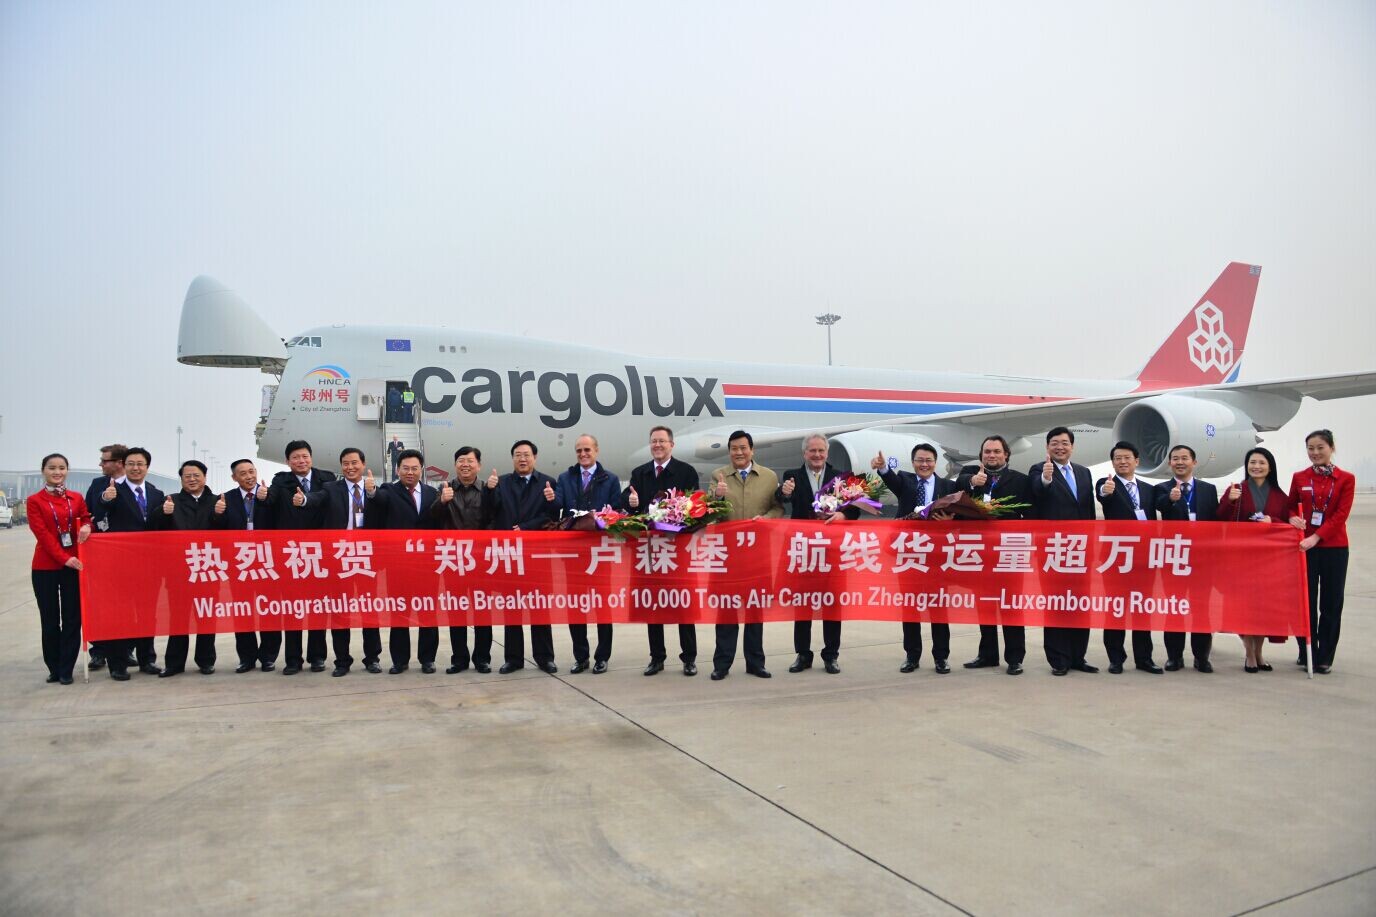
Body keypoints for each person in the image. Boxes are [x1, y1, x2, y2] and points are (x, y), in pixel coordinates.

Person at [874, 442, 958, 674]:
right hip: (909, 555)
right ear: (913, 463)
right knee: (910, 607)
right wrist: (882, 468)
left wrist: (950, 522)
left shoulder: (948, 486)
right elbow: (891, 480)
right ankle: (912, 656)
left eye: (928, 460)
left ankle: (941, 657)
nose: (924, 464)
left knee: (938, 609)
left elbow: (959, 515)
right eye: (920, 460)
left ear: (935, 463)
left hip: (936, 557)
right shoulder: (905, 481)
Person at [623, 426, 700, 676]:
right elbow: (630, 508)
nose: (657, 445)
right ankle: (657, 658)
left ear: (671, 445)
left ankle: (689, 658)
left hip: (677, 550)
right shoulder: (640, 473)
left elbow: (695, 508)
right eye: (654, 441)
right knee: (652, 604)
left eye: (662, 441)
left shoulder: (686, 472)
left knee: (683, 604)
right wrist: (632, 503)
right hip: (650, 551)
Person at [780, 434, 860, 674]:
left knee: (832, 603)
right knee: (802, 604)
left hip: (832, 550)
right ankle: (803, 655)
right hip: (804, 549)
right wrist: (785, 492)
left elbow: (855, 508)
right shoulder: (792, 476)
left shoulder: (841, 477)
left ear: (827, 453)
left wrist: (843, 515)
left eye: (821, 451)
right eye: (812, 451)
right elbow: (783, 499)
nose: (817, 455)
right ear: (804, 453)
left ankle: (831, 655)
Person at [710, 430, 783, 680]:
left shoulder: (769, 477)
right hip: (727, 555)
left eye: (743, 448)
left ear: (752, 450)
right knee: (726, 611)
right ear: (729, 451)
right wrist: (717, 496)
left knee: (755, 610)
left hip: (757, 555)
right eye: (734, 448)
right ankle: (722, 664)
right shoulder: (718, 476)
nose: (739, 453)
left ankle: (755, 663)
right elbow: (708, 510)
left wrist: (766, 520)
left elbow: (778, 508)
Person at [956, 435, 1030, 675]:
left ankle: (1015, 658)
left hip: (1009, 552)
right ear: (981, 455)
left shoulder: (1020, 480)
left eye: (997, 451)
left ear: (1006, 454)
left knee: (1011, 606)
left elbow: (1032, 514)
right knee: (985, 605)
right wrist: (973, 482)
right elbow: (958, 485)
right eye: (987, 451)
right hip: (980, 553)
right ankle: (987, 655)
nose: (992, 455)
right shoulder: (970, 474)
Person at [1029, 427, 1098, 676]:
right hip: (1054, 550)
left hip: (1081, 549)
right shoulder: (1039, 469)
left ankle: (1078, 656)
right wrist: (1046, 479)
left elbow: (1089, 510)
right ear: (1047, 447)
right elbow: (1036, 491)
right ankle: (1059, 659)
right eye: (1055, 443)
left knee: (1079, 603)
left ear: (1072, 446)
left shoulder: (1083, 472)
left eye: (1065, 443)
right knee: (1056, 603)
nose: (1060, 447)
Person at [90, 446, 164, 679]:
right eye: (131, 464)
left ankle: (147, 659)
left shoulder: (156, 494)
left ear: (147, 467)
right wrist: (105, 498)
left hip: (149, 566)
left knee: (147, 613)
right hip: (119, 566)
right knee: (120, 614)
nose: (135, 468)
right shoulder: (112, 490)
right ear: (124, 465)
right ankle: (118, 664)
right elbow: (97, 510)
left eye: (140, 464)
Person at [1287, 430, 1355, 674]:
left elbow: (1341, 515)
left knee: (1331, 603)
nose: (1315, 453)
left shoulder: (1346, 479)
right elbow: (1289, 508)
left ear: (1331, 448)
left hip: (1333, 548)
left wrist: (1316, 537)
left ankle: (1325, 656)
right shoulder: (1299, 477)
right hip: (1304, 548)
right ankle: (1307, 651)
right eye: (1311, 448)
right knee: (1304, 602)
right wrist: (1292, 518)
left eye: (1320, 448)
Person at [488, 440, 559, 674]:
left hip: (537, 555)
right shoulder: (502, 482)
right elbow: (492, 511)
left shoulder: (548, 482)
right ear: (512, 459)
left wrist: (527, 527)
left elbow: (552, 516)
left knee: (539, 607)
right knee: (512, 608)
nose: (522, 459)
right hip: (509, 554)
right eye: (518, 455)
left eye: (526, 455)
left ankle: (545, 657)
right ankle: (513, 658)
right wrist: (490, 490)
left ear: (534, 458)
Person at [553, 434, 622, 673]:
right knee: (575, 604)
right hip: (573, 551)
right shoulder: (565, 478)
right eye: (579, 451)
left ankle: (602, 656)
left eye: (587, 450)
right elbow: (558, 507)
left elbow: (617, 510)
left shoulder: (610, 479)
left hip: (600, 551)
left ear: (596, 451)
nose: (583, 454)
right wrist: (551, 499)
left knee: (602, 605)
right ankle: (581, 656)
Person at [1217, 446, 1290, 673]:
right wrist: (1229, 501)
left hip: (1268, 561)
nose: (1256, 467)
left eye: (1261, 463)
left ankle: (1259, 652)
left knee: (1262, 608)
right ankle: (1249, 653)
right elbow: (1219, 518)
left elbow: (1288, 523)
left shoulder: (1280, 496)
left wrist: (1272, 520)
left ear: (1270, 468)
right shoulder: (1236, 490)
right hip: (1241, 559)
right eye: (1252, 463)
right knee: (1244, 607)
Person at [267, 440, 337, 674]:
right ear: (288, 461)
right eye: (295, 457)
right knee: (293, 608)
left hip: (320, 554)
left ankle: (317, 657)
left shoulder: (327, 478)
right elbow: (270, 500)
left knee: (318, 607)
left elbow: (328, 499)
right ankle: (293, 660)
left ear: (311, 458)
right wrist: (262, 495)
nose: (301, 461)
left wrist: (306, 500)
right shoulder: (280, 481)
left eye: (305, 456)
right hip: (292, 555)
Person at [1095, 441, 1163, 674]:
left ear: (1137, 461)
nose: (1122, 462)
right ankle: (1116, 658)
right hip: (1117, 558)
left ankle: (1144, 658)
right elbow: (1103, 495)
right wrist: (1106, 491)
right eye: (1118, 458)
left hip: (1144, 559)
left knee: (1142, 610)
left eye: (1127, 458)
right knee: (1116, 609)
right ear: (1113, 462)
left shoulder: (1149, 489)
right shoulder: (1106, 483)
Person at [1154, 444, 1219, 672]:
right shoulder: (1162, 488)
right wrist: (1171, 500)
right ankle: (1175, 657)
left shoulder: (1209, 489)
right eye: (1175, 459)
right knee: (1175, 607)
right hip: (1175, 559)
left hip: (1202, 561)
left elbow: (1217, 522)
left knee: (1201, 609)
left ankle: (1202, 658)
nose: (1180, 462)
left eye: (1184, 458)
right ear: (1169, 463)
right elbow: (1159, 506)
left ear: (1194, 462)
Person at [430, 446, 496, 674]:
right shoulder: (445, 488)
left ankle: (482, 659)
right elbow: (432, 520)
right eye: (460, 460)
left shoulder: (487, 490)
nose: (465, 464)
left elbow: (494, 520)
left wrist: (482, 548)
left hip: (481, 562)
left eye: (470, 460)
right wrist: (441, 501)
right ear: (455, 464)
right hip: (453, 561)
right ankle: (459, 659)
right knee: (456, 612)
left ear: (479, 465)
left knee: (482, 612)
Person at [28, 453, 91, 685]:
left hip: (73, 566)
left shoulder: (76, 498)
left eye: (62, 468)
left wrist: (87, 526)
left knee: (73, 618)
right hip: (46, 566)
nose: (57, 472)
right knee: (50, 619)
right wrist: (65, 558)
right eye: (52, 468)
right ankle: (54, 667)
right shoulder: (35, 501)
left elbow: (86, 518)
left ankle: (66, 668)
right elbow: (43, 535)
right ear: (43, 471)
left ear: (67, 471)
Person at [153, 460, 219, 676]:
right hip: (179, 572)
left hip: (208, 569)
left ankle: (206, 661)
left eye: (196, 475)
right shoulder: (171, 501)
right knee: (178, 618)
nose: (192, 479)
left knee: (206, 618)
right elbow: (154, 529)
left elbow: (227, 531)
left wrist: (220, 514)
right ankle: (174, 663)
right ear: (181, 479)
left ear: (205, 477)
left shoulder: (217, 501)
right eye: (187, 476)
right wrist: (163, 513)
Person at [374, 449, 438, 673]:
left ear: (421, 470)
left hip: (427, 566)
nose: (410, 472)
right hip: (399, 566)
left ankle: (427, 659)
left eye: (414, 468)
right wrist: (371, 492)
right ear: (397, 469)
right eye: (405, 468)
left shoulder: (432, 493)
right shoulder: (387, 490)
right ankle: (400, 660)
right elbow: (378, 500)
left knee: (427, 612)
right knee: (400, 612)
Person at [212, 458, 279, 671]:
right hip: (239, 563)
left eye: (251, 471)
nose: (249, 476)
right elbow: (218, 531)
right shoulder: (226, 498)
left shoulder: (269, 494)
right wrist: (218, 514)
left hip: (267, 562)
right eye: (243, 473)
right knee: (243, 610)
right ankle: (247, 658)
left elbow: (281, 520)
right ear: (234, 478)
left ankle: (268, 656)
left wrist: (268, 500)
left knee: (269, 609)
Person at [322, 449, 381, 676]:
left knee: (369, 610)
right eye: (345, 463)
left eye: (354, 463)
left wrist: (373, 492)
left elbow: (385, 507)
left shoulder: (374, 488)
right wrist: (304, 499)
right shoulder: (331, 488)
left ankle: (372, 658)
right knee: (340, 611)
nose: (350, 467)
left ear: (363, 464)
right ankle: (342, 661)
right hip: (341, 557)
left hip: (366, 558)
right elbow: (316, 500)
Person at [83, 443, 130, 671]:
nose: (100, 464)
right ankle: (99, 651)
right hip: (101, 555)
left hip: (128, 557)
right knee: (100, 605)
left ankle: (126, 649)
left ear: (119, 463)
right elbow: (86, 513)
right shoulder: (97, 485)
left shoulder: (135, 486)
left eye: (105, 460)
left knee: (129, 605)